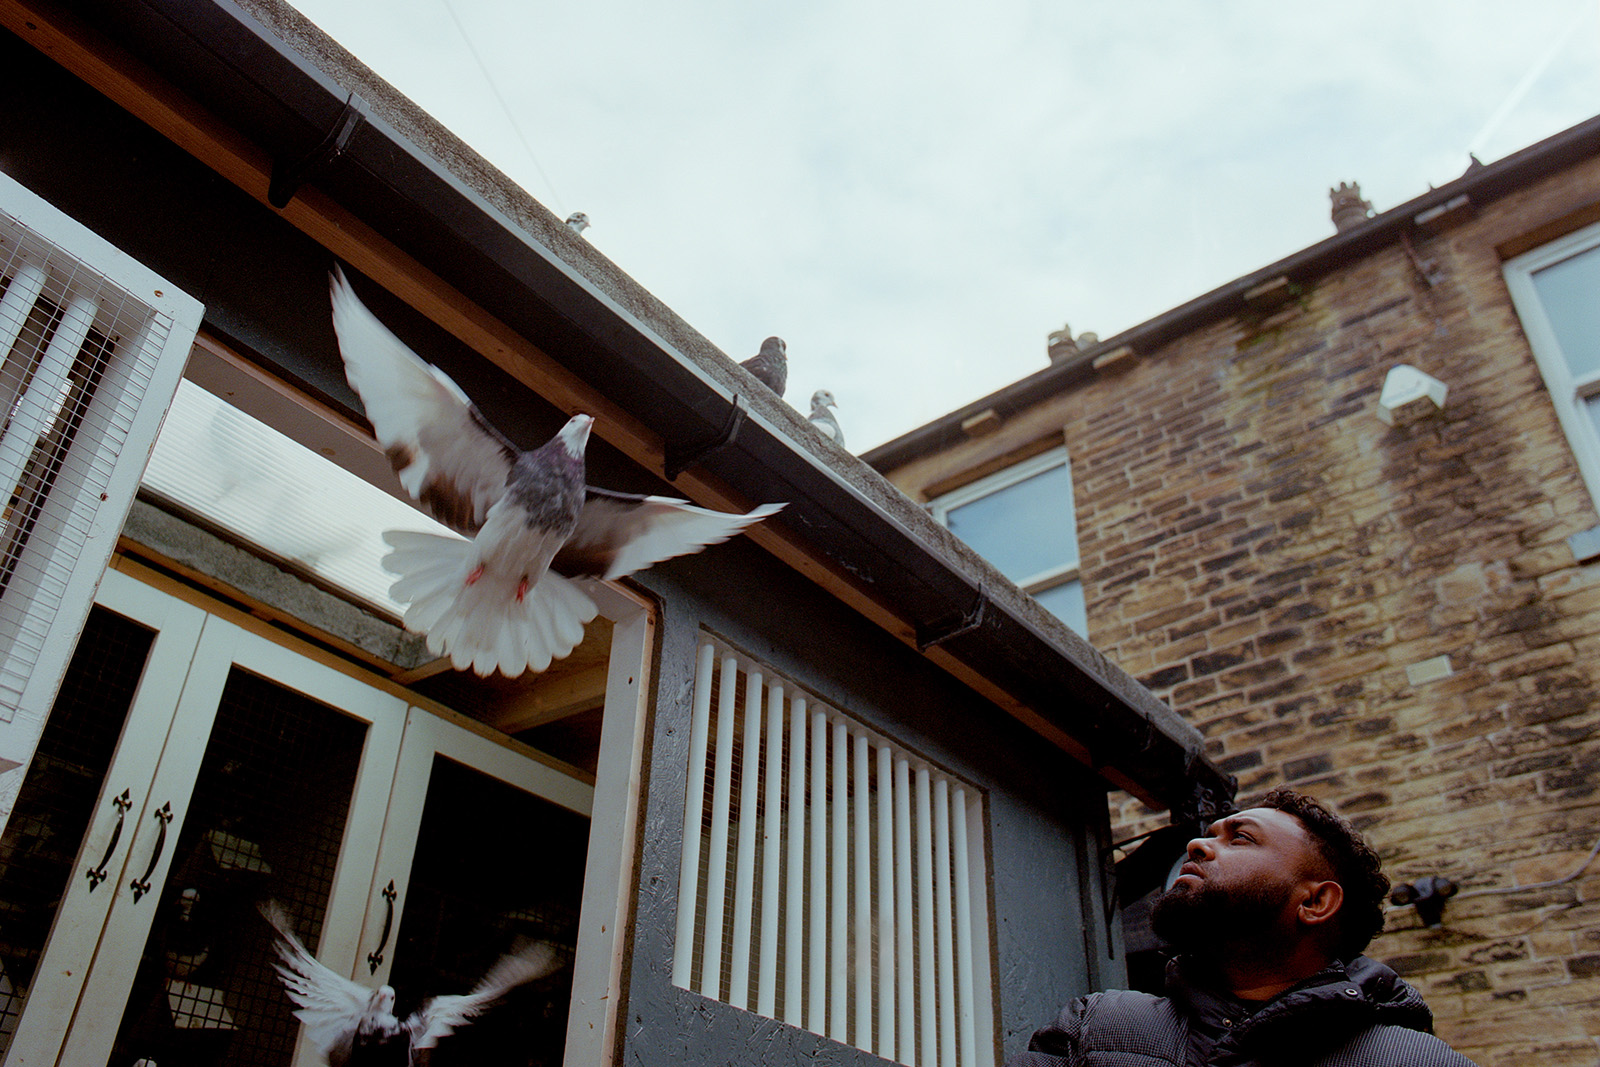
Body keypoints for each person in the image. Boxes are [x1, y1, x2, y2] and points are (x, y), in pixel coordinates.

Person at [1010, 786, 1478, 1067]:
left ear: (1315, 901)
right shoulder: (1099, 1025)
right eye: (1209, 834)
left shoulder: (1414, 1061)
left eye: (1242, 838)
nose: (1197, 845)